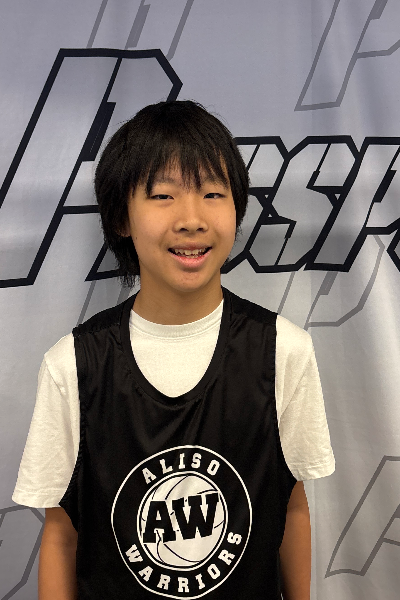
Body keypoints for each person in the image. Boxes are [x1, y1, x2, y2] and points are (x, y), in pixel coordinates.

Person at [12, 100, 335, 600]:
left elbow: (291, 506)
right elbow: (61, 534)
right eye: (163, 195)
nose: (191, 219)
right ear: (121, 216)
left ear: (237, 207)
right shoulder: (73, 364)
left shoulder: (284, 350)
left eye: (213, 193)